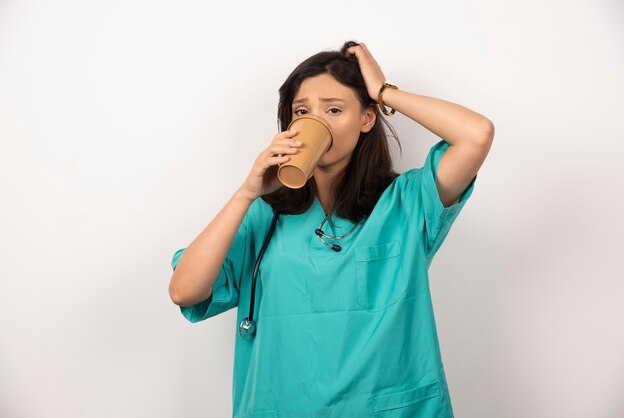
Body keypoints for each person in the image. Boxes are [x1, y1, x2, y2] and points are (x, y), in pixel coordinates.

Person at [168, 40, 494, 418]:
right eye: (302, 111)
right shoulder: (263, 216)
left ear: (367, 119)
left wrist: (383, 92)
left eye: (335, 109)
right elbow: (184, 290)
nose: (317, 121)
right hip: (283, 406)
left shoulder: (406, 203)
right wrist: (247, 192)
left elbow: (476, 134)